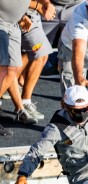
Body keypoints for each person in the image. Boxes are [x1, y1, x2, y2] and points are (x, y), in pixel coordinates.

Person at [0, 0, 56, 136]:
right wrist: (38, 6)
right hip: (1, 21)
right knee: (3, 68)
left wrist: (21, 14)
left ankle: (21, 105)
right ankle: (20, 105)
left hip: (14, 22)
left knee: (12, 68)